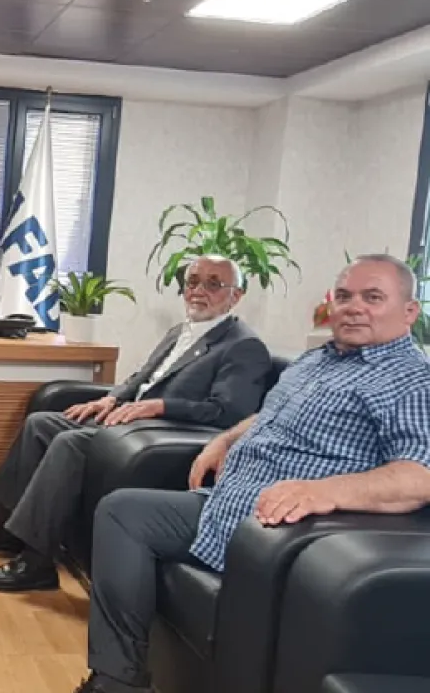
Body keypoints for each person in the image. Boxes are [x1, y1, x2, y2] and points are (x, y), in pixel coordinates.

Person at [71, 254, 430, 693]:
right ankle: (118, 680)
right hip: (225, 504)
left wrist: (325, 492)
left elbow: (419, 475)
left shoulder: (410, 381)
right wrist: (225, 439)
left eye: (373, 297)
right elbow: (272, 413)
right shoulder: (320, 359)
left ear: (409, 311)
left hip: (272, 534)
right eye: (344, 296)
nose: (354, 307)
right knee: (121, 512)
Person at [0, 255, 273, 593]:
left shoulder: (244, 346)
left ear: (236, 295)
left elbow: (229, 412)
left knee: (69, 442)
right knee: (41, 424)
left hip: (158, 432)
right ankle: (10, 528)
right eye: (193, 281)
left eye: (213, 284)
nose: (199, 290)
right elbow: (143, 377)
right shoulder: (180, 331)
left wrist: (159, 407)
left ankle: (37, 562)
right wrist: (111, 398)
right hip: (128, 418)